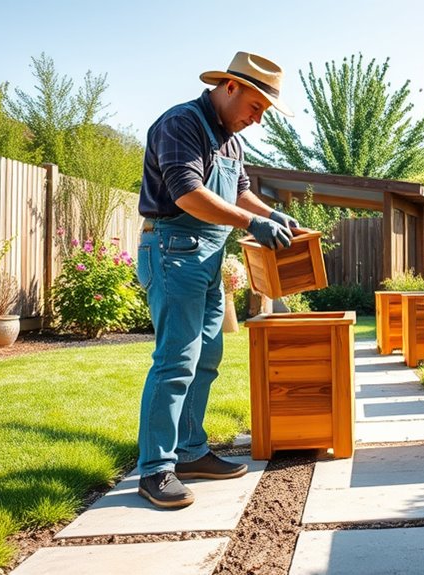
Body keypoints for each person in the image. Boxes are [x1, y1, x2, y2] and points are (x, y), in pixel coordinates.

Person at [134, 52, 299, 508]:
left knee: (207, 356)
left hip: (207, 255)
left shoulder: (231, 139)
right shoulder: (181, 124)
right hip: (175, 250)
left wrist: (272, 214)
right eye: (255, 106)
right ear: (230, 87)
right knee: (175, 361)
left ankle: (188, 452)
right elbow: (188, 195)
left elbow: (241, 189)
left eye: (264, 111)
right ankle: (155, 469)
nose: (256, 118)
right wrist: (251, 224)